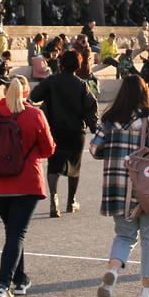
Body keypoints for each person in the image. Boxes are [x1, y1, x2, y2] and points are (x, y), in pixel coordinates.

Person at [89, 72, 149, 297]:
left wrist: (116, 152)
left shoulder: (109, 120)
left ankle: (113, 271)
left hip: (117, 186)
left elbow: (95, 149)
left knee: (124, 235)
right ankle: (147, 291)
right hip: (146, 187)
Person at [0, 77, 56, 297]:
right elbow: (48, 149)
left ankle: (20, 279)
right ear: (26, 92)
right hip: (26, 181)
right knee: (16, 233)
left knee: (12, 231)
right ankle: (4, 284)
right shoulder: (35, 115)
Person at [30, 50, 99, 218]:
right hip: (76, 130)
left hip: (54, 129)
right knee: (74, 166)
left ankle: (54, 198)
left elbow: (35, 96)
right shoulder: (81, 84)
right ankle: (71, 200)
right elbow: (90, 107)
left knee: (54, 164)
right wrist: (94, 127)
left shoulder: (52, 81)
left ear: (61, 65)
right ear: (78, 65)